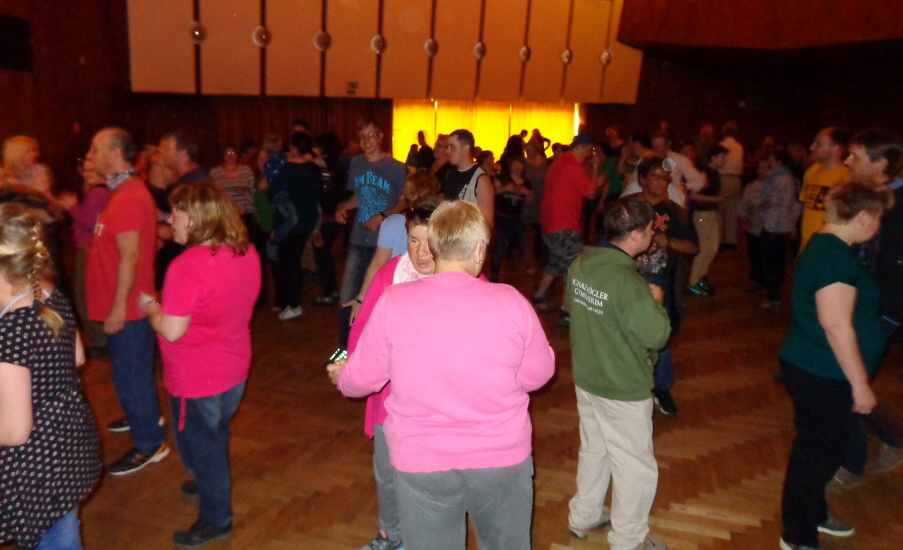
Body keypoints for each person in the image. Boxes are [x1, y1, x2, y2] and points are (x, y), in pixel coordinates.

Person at [330, 201, 555, 550]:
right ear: (478, 249)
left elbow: (359, 382)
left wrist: (342, 374)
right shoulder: (510, 301)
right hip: (500, 458)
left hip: (421, 461)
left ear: (434, 247)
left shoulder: (394, 301)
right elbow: (538, 375)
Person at [136, 182, 260, 548]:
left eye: (176, 213)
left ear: (195, 218)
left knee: (203, 445)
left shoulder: (186, 265)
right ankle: (208, 478)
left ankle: (216, 519)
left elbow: (172, 331)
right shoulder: (246, 251)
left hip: (197, 375)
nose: (170, 220)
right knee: (214, 433)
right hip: (234, 366)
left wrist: (152, 308)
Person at [777, 181, 893, 550]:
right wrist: (860, 385)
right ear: (863, 217)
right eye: (879, 218)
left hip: (818, 366)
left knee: (823, 450)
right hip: (823, 372)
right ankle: (797, 536)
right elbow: (835, 324)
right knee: (816, 455)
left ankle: (813, 513)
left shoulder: (828, 246)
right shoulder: (833, 257)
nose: (880, 226)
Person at [566, 198, 671, 550]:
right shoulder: (628, 281)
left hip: (588, 375)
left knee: (595, 449)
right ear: (636, 235)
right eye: (651, 230)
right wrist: (655, 301)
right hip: (621, 384)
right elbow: (657, 335)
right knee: (634, 466)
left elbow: (575, 310)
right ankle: (628, 540)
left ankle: (583, 516)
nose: (653, 235)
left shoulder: (580, 263)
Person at [0, 202, 102, 550]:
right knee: (62, 527)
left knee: (53, 536)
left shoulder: (11, 332)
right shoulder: (48, 294)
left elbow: (15, 431)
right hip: (67, 440)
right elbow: (77, 356)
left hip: (33, 465)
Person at [341, 196, 441, 550]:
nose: (421, 252)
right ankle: (391, 534)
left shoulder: (464, 278)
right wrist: (352, 365)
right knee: (387, 472)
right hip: (390, 398)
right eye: (413, 240)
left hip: (439, 404)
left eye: (430, 242)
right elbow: (362, 329)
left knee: (432, 479)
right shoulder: (391, 273)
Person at [85, 127, 169, 474]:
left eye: (95, 149)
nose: (90, 155)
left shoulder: (129, 196)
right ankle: (143, 416)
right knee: (131, 374)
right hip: (124, 302)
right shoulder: (122, 193)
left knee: (130, 377)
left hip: (129, 308)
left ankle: (150, 443)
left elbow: (130, 256)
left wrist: (119, 305)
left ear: (116, 153)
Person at [625, 157, 698, 418]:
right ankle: (629, 382)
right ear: (642, 179)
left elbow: (693, 246)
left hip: (661, 279)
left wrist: (670, 242)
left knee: (660, 334)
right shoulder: (627, 208)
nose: (661, 182)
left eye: (664, 177)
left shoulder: (675, 212)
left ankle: (662, 387)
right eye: (655, 176)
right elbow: (608, 242)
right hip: (628, 278)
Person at [335, 121, 407, 347]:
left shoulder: (396, 167)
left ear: (380, 136)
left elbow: (404, 202)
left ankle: (375, 347)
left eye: (371, 135)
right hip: (358, 239)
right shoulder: (356, 163)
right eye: (362, 137)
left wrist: (383, 216)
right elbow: (357, 197)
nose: (366, 141)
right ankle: (345, 349)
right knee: (347, 296)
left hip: (384, 244)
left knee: (379, 298)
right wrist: (342, 207)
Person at [348, 171, 441, 323]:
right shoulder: (443, 225)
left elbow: (378, 263)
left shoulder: (392, 223)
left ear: (409, 195)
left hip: (398, 298)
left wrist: (361, 299)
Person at [532, 133, 602, 314]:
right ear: (583, 148)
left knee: (557, 262)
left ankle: (539, 295)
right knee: (574, 266)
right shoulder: (573, 167)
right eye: (589, 150)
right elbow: (591, 193)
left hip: (550, 222)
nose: (589, 154)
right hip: (564, 224)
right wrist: (595, 169)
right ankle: (567, 311)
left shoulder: (558, 163)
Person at [268, 131, 322, 320]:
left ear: (294, 148)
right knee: (294, 261)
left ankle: (293, 303)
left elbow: (272, 193)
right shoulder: (313, 168)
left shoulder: (288, 168)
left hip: (292, 222)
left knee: (288, 262)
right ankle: (292, 302)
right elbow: (320, 194)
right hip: (308, 220)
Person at [61, 159, 111, 357]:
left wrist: (72, 207)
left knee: (85, 298)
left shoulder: (98, 193)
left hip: (89, 250)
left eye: (91, 170)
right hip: (94, 249)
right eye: (85, 170)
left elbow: (90, 222)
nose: (87, 174)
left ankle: (100, 341)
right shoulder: (102, 190)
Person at [757, 151, 802, 312]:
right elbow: (796, 204)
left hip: (774, 225)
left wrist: (757, 208)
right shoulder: (792, 177)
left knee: (769, 263)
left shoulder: (778, 178)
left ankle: (774, 298)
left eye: (771, 159)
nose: (768, 163)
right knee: (778, 262)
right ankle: (777, 295)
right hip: (785, 226)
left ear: (779, 161)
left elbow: (773, 201)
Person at [798, 128, 851, 252]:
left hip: (829, 246)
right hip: (807, 244)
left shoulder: (847, 178)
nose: (812, 147)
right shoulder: (812, 171)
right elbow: (807, 208)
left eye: (819, 144)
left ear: (836, 149)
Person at [687, 145, 727, 296]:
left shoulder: (713, 173)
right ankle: (693, 282)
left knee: (712, 248)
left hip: (710, 214)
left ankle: (700, 277)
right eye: (722, 157)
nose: (724, 160)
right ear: (713, 158)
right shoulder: (704, 174)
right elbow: (693, 195)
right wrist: (716, 199)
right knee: (705, 249)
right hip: (702, 215)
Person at [491, 155, 533, 282]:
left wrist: (528, 194)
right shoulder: (503, 179)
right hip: (501, 217)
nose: (518, 168)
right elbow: (492, 192)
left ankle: (528, 266)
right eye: (515, 165)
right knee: (500, 246)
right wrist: (506, 188)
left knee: (522, 243)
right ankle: (494, 272)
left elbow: (530, 202)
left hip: (516, 218)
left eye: (520, 165)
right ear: (510, 167)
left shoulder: (526, 182)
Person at [443, 129, 495, 226]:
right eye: (447, 147)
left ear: (466, 148)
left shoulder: (481, 179)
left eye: (452, 147)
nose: (447, 151)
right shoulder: (450, 174)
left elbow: (488, 223)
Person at [718, 122, 745, 250]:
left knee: (719, 211)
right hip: (735, 179)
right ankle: (731, 241)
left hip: (723, 178)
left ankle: (719, 240)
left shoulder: (721, 146)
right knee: (732, 211)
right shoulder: (739, 147)